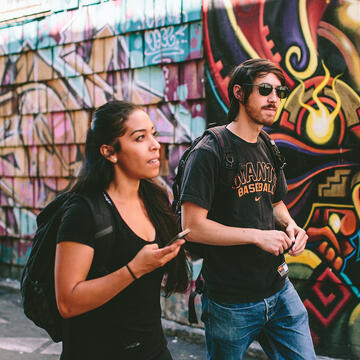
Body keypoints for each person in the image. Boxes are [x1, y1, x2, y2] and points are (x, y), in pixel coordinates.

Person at [180, 58, 316, 359]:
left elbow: (276, 202)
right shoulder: (210, 151)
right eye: (265, 89)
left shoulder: (267, 144)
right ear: (239, 93)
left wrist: (291, 225)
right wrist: (257, 236)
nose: (274, 99)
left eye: (279, 91)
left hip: (279, 290)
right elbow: (192, 227)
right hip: (231, 302)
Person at [54, 100, 190, 360]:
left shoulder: (155, 199)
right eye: (140, 138)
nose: (155, 145)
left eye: (153, 134)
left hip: (152, 350)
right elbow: (67, 302)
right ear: (109, 152)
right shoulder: (84, 211)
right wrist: (135, 268)